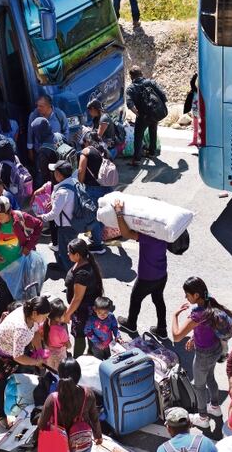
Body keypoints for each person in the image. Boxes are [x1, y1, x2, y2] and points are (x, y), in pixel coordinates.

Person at [171, 277, 232, 420]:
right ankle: (215, 407)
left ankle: (202, 418)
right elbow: (207, 327)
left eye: (187, 294)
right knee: (210, 377)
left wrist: (174, 316)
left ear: (196, 295)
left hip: (204, 355)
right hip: (216, 349)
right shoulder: (210, 302)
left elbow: (176, 336)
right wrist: (195, 337)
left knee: (199, 386)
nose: (186, 297)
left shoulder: (197, 315)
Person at [0, 295, 52, 429]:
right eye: (44, 316)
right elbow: (18, 357)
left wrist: (39, 352)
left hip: (11, 350)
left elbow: (36, 333)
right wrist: (34, 362)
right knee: (0, 384)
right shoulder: (22, 329)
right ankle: (0, 415)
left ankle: (17, 403)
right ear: (35, 313)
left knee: (19, 374)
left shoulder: (29, 313)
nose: (45, 320)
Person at [113, 198, 168, 337]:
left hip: (147, 277)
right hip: (162, 274)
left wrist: (119, 213)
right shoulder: (164, 231)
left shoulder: (149, 235)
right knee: (158, 299)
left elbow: (125, 234)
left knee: (136, 298)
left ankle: (131, 324)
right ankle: (162, 330)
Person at [0, 196, 43, 313]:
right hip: (0, 267)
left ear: (9, 211)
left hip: (20, 265)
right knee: (4, 295)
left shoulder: (21, 218)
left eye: (1, 215)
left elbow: (38, 225)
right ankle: (5, 321)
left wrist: (28, 247)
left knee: (20, 293)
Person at [62, 238, 104, 358]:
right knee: (90, 333)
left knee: (80, 336)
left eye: (69, 252)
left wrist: (68, 314)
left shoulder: (82, 274)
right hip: (83, 309)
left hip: (83, 312)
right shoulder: (83, 262)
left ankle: (78, 360)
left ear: (77, 255)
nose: (67, 254)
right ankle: (91, 354)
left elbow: (77, 299)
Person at [36, 160, 79, 272]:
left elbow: (54, 214)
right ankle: (63, 265)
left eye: (55, 172)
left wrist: (42, 217)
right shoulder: (74, 182)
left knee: (68, 252)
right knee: (66, 249)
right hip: (74, 222)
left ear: (59, 175)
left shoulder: (62, 192)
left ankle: (70, 274)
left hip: (66, 226)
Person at [77, 131, 112, 254]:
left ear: (87, 141)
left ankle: (98, 246)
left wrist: (80, 184)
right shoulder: (104, 150)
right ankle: (97, 237)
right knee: (102, 214)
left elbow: (81, 170)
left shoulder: (86, 152)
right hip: (107, 187)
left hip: (93, 188)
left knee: (93, 216)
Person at [125, 66, 166, 166]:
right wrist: (158, 108)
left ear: (131, 77)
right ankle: (152, 153)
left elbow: (130, 104)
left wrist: (138, 114)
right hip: (154, 113)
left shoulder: (131, 88)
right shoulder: (151, 82)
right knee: (153, 131)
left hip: (143, 115)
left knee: (138, 136)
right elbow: (163, 96)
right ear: (141, 74)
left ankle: (137, 159)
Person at [27, 95, 68, 161]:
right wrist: (30, 151)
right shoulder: (33, 115)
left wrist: (64, 148)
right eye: (37, 105)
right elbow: (30, 133)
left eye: (41, 106)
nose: (38, 108)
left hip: (58, 153)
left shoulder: (59, 114)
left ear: (49, 105)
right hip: (41, 154)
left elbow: (66, 131)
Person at [29, 116, 61, 189]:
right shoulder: (60, 136)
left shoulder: (43, 152)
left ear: (38, 132)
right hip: (68, 175)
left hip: (56, 184)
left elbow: (44, 175)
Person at [44, 298, 70, 371]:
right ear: (57, 317)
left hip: (49, 353)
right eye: (64, 315)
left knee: (50, 370)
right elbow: (68, 345)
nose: (65, 316)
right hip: (60, 355)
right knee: (59, 372)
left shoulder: (44, 325)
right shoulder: (61, 330)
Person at [184, 73, 200, 147]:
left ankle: (197, 141)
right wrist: (196, 75)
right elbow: (192, 82)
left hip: (200, 113)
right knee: (195, 128)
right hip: (195, 112)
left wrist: (196, 74)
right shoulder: (195, 91)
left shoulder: (202, 93)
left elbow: (192, 82)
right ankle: (194, 141)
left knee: (199, 128)